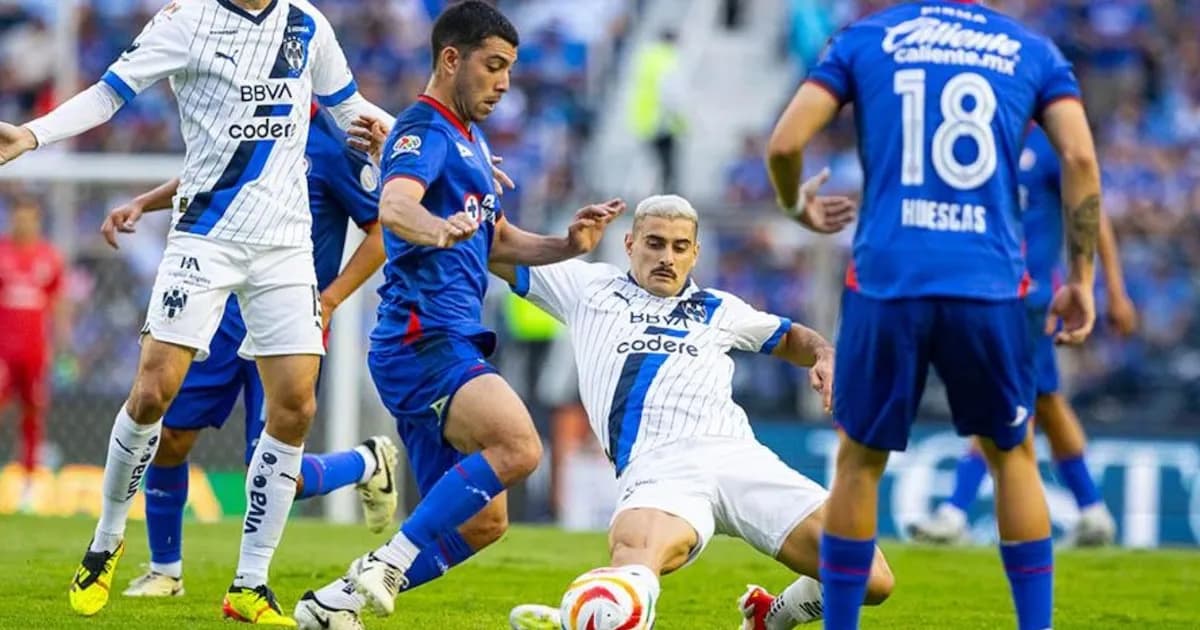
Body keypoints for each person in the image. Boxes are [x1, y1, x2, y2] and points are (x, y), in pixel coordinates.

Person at [0, 0, 394, 622]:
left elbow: (351, 110)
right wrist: (33, 132)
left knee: (296, 406)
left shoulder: (308, 24)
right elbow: (108, 94)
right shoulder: (185, 21)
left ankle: (249, 584)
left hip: (285, 249)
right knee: (154, 393)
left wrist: (443, 150)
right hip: (205, 239)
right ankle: (105, 541)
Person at [765, 2, 1103, 629]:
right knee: (1012, 455)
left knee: (860, 461)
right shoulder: (1031, 51)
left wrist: (795, 206)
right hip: (990, 283)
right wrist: (1081, 279)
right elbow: (1081, 161)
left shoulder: (868, 38)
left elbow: (786, 142)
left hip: (888, 279)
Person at [292, 3, 623, 628]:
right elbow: (394, 207)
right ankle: (387, 561)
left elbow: (494, 243)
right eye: (493, 66)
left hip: (437, 345)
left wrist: (564, 245)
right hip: (423, 340)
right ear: (452, 59)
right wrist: (437, 229)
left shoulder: (470, 140)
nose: (503, 83)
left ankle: (334, 604)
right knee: (522, 448)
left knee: (484, 522)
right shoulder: (423, 132)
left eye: (509, 70)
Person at [499, 194, 894, 630]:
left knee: (871, 578)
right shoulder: (588, 288)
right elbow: (495, 248)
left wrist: (824, 353)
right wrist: (559, 241)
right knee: (633, 567)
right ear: (629, 244)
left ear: (695, 253)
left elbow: (788, 337)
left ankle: (771, 616)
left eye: (679, 246)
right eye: (654, 243)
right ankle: (597, 614)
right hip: (659, 468)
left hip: (738, 457)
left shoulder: (719, 308)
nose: (667, 257)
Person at [101, 104, 395, 599]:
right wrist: (143, 204)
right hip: (220, 311)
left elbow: (381, 230)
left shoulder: (338, 146)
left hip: (284, 323)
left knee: (279, 470)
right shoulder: (249, 110)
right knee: (169, 434)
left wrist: (330, 298)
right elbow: (209, 173)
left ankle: (366, 463)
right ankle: (164, 570)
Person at [909, 125, 1138, 547]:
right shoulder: (980, 141)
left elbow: (1091, 215)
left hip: (1032, 298)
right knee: (1046, 400)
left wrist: (1116, 291)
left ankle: (955, 511)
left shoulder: (1050, 147)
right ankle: (1093, 510)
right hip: (990, 294)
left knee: (1003, 399)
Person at [0, 197, 66, 510]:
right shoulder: (1, 252)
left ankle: (27, 487)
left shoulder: (49, 257)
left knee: (31, 417)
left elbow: (58, 301)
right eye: (18, 217)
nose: (23, 223)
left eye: (29, 218)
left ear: (37, 221)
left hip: (34, 353)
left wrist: (61, 342)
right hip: (2, 352)